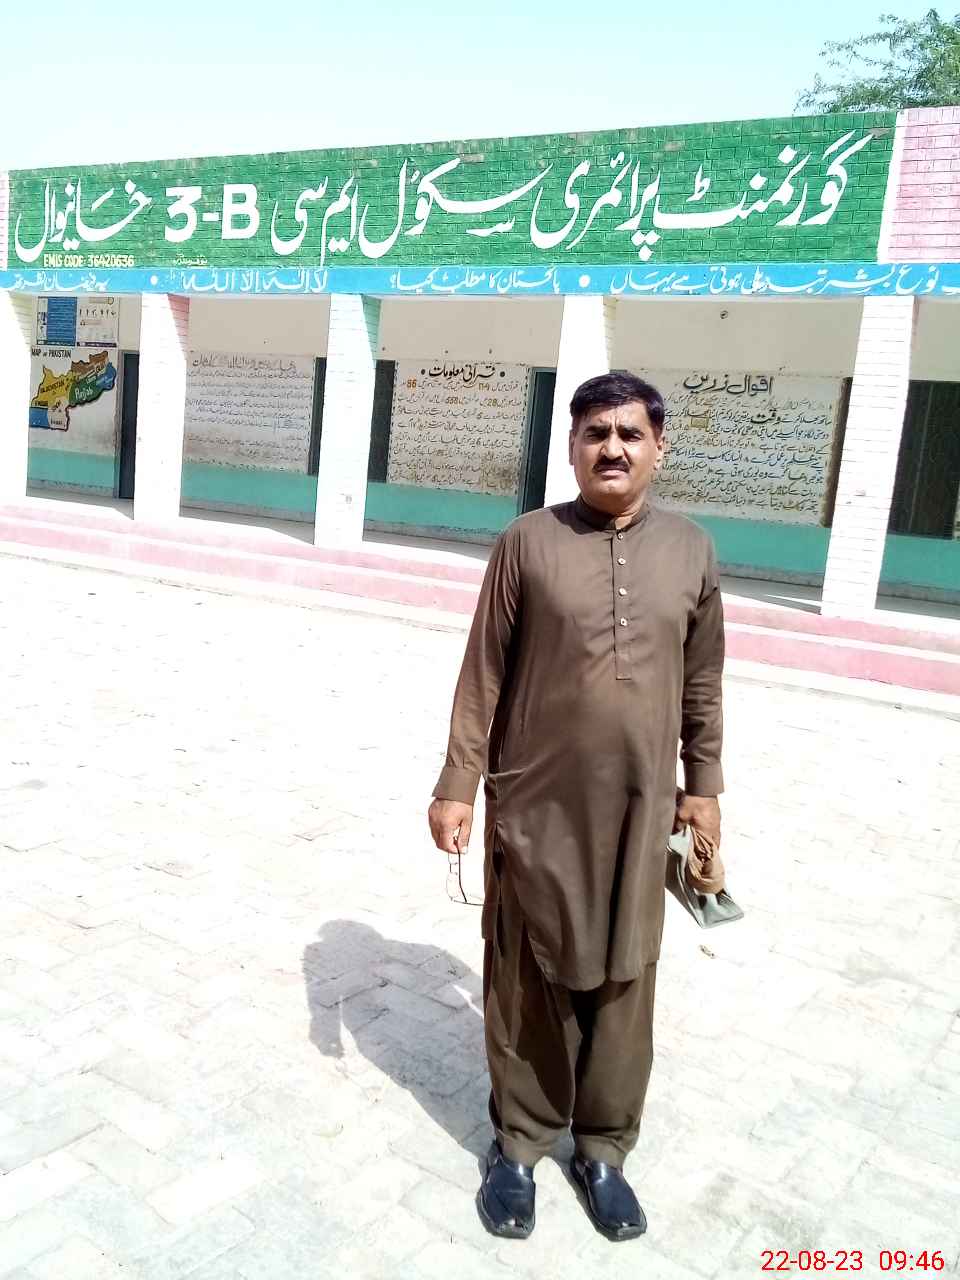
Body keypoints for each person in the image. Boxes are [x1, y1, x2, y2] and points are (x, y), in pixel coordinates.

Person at [428, 371, 724, 1242]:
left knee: (627, 972)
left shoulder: (692, 551)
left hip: (641, 809)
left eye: (630, 434)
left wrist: (704, 790)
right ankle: (519, 1146)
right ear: (571, 447)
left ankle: (603, 1150)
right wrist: (457, 783)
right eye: (596, 433)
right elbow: (483, 672)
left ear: (659, 447)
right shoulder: (527, 542)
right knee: (529, 973)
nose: (613, 449)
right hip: (537, 802)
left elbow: (704, 683)